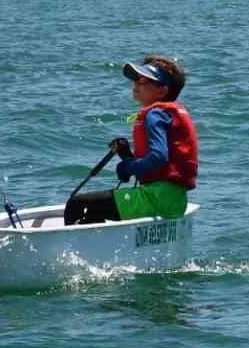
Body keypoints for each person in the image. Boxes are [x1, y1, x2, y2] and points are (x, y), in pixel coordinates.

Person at [64, 56, 198, 225]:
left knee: (77, 203)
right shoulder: (171, 113)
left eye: (144, 80)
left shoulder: (155, 114)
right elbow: (156, 163)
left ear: (163, 90)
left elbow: (158, 157)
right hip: (175, 200)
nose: (136, 84)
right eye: (135, 79)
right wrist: (126, 156)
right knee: (95, 209)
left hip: (156, 197)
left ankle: (72, 249)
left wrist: (128, 167)